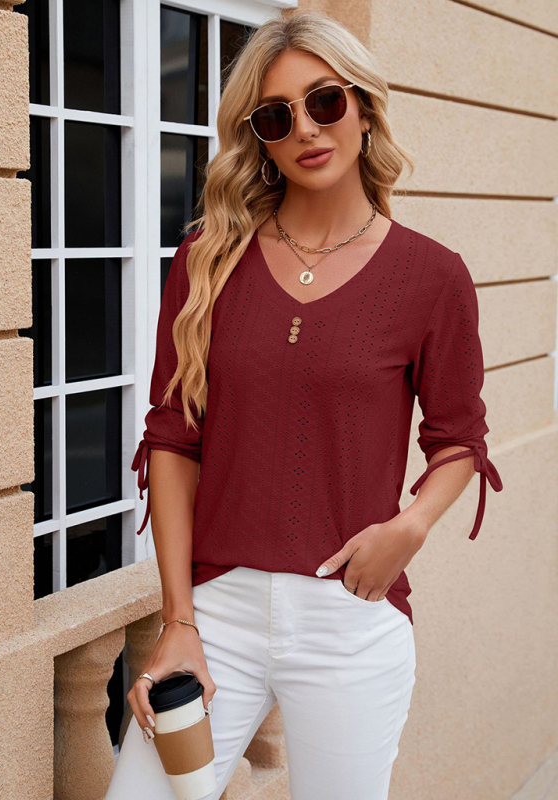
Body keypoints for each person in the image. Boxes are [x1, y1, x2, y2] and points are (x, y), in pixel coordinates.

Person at [104, 8, 503, 800]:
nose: (307, 130)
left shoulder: (432, 276)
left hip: (350, 619)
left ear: (363, 107)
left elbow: (459, 437)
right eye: (275, 117)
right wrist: (178, 620)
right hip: (214, 613)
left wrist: (409, 528)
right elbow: (173, 441)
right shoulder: (207, 262)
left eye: (324, 101)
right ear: (258, 139)